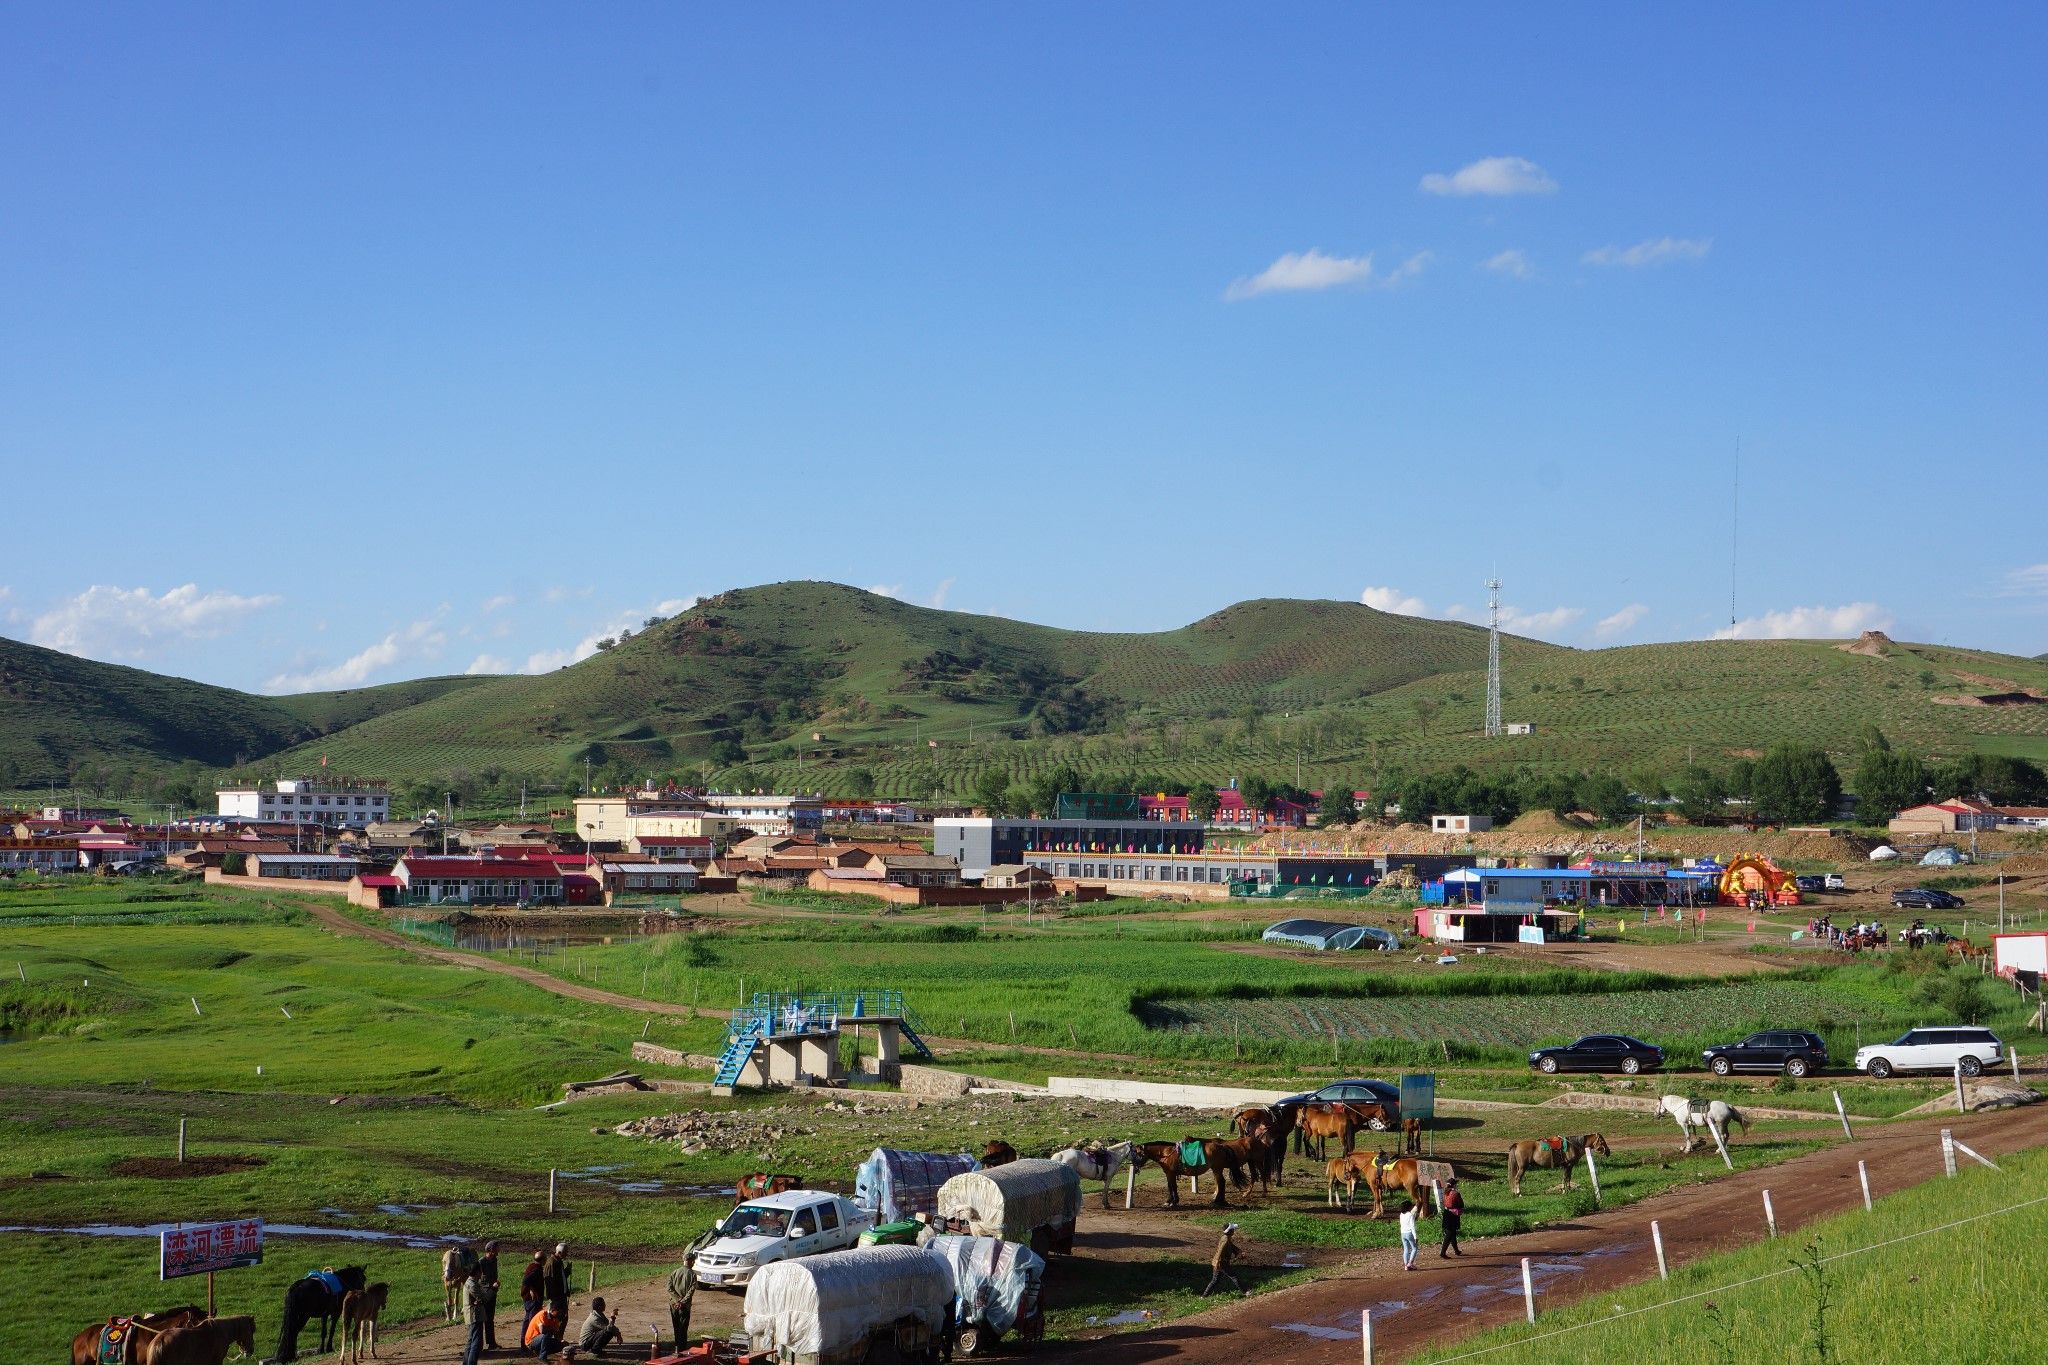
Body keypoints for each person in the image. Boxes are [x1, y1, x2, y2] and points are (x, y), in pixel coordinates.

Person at [668, 1228, 717, 1350]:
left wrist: (676, 1300)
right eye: (693, 1261)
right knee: (683, 1327)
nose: (693, 1263)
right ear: (689, 1261)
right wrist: (682, 1301)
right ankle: (682, 1347)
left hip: (673, 1304)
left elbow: (669, 1288)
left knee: (675, 1325)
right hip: (684, 1306)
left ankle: (676, 1345)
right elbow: (691, 1291)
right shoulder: (692, 1274)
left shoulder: (674, 1272)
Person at [1201, 1223, 1242, 1297]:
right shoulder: (1225, 1240)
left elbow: (1232, 1246)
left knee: (1215, 1281)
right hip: (1222, 1263)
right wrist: (1217, 1263)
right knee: (1234, 1276)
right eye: (1233, 1230)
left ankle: (1204, 1296)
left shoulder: (1226, 1238)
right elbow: (1220, 1251)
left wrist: (1238, 1251)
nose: (1234, 1231)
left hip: (1221, 1263)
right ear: (1230, 1231)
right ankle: (1246, 1291)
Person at [475, 1240, 502, 1351]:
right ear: (491, 1249)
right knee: (482, 1320)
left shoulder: (494, 1260)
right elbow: (477, 1279)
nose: (498, 1250)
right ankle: (479, 1345)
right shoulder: (481, 1262)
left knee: (490, 1319)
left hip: (493, 1293)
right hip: (483, 1294)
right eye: (497, 1248)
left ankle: (491, 1343)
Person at [461, 1262, 487, 1365]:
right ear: (476, 1272)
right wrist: (493, 1288)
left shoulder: (469, 1282)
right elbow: (484, 1298)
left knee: (470, 1341)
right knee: (475, 1343)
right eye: (480, 1271)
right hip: (475, 1316)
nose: (481, 1273)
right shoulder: (472, 1284)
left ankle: (465, 1363)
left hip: (470, 1316)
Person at [520, 1250, 547, 1340]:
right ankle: (529, 1341)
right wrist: (531, 1289)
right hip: (533, 1300)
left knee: (527, 1320)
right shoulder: (536, 1269)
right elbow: (526, 1281)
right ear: (542, 1260)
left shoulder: (531, 1266)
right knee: (532, 1321)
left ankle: (524, 1342)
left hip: (529, 1299)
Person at [544, 1243, 571, 1318]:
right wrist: (553, 1298)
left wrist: (567, 1271)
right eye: (565, 1252)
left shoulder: (559, 1261)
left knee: (563, 1317)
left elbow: (561, 1277)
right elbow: (549, 1281)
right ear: (559, 1252)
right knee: (556, 1318)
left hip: (562, 1295)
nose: (567, 1254)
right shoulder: (551, 1263)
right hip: (556, 1297)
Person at [1439, 1178, 1465, 1258]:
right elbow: (1461, 1204)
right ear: (1454, 1185)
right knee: (1449, 1234)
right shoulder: (1456, 1193)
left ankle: (1456, 1250)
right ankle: (1442, 1253)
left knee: (1452, 1233)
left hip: (1446, 1213)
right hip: (1453, 1215)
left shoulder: (1446, 1192)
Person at [1398, 1204, 1420, 1271]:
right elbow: (1412, 1226)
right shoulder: (1410, 1215)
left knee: (1406, 1249)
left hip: (1403, 1233)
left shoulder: (1401, 1214)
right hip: (1409, 1233)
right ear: (1408, 1207)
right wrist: (1415, 1236)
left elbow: (1401, 1224)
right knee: (1414, 1248)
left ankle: (1406, 1265)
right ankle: (1410, 1264)